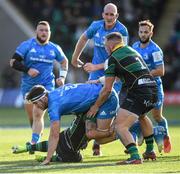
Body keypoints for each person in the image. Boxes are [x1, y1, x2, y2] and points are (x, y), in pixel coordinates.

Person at [87, 32, 158, 165]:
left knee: (120, 126)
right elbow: (123, 75)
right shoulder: (131, 51)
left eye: (105, 45)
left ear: (111, 44)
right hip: (153, 89)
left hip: (139, 92)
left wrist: (95, 106)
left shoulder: (111, 59)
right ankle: (149, 150)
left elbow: (107, 89)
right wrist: (98, 80)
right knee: (142, 116)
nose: (105, 48)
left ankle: (135, 156)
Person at [71, 2, 128, 156]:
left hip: (114, 74)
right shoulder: (96, 26)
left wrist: (95, 67)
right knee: (91, 106)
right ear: (103, 14)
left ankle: (125, 135)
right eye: (107, 14)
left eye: (112, 14)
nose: (109, 17)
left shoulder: (122, 31)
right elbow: (83, 39)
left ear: (116, 16)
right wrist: (75, 58)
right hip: (95, 76)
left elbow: (120, 57)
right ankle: (93, 141)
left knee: (105, 105)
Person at [25, 83, 119, 165]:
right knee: (86, 135)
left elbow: (54, 135)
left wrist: (48, 159)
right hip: (95, 101)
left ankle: (123, 130)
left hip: (106, 98)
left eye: (36, 103)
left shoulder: (54, 106)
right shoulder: (54, 93)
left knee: (97, 137)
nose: (36, 106)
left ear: (44, 98)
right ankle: (123, 129)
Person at [10, 21, 68, 144]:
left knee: (38, 113)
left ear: (50, 33)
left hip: (46, 87)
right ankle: (36, 133)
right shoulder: (27, 45)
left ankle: (34, 142)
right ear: (36, 31)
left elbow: (64, 62)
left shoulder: (54, 48)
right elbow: (13, 62)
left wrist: (62, 77)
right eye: (41, 30)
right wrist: (27, 69)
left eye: (46, 30)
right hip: (28, 87)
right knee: (32, 117)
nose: (44, 33)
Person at [132, 20, 171, 153]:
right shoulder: (134, 47)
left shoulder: (155, 50)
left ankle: (165, 138)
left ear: (151, 33)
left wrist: (144, 73)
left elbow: (161, 71)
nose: (143, 34)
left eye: (146, 32)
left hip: (154, 87)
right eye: (141, 32)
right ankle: (140, 136)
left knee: (157, 117)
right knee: (137, 114)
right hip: (140, 88)